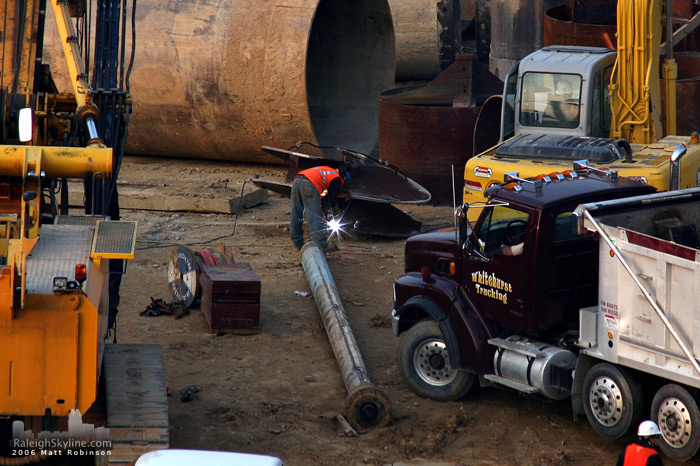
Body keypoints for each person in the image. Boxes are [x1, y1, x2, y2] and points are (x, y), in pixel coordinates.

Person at [290, 166, 351, 252]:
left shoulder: (328, 171)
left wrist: (325, 211)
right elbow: (332, 199)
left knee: (296, 214)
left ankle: (297, 243)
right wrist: (336, 212)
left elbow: (324, 198)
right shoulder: (337, 178)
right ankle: (322, 244)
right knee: (314, 216)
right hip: (309, 184)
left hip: (297, 180)